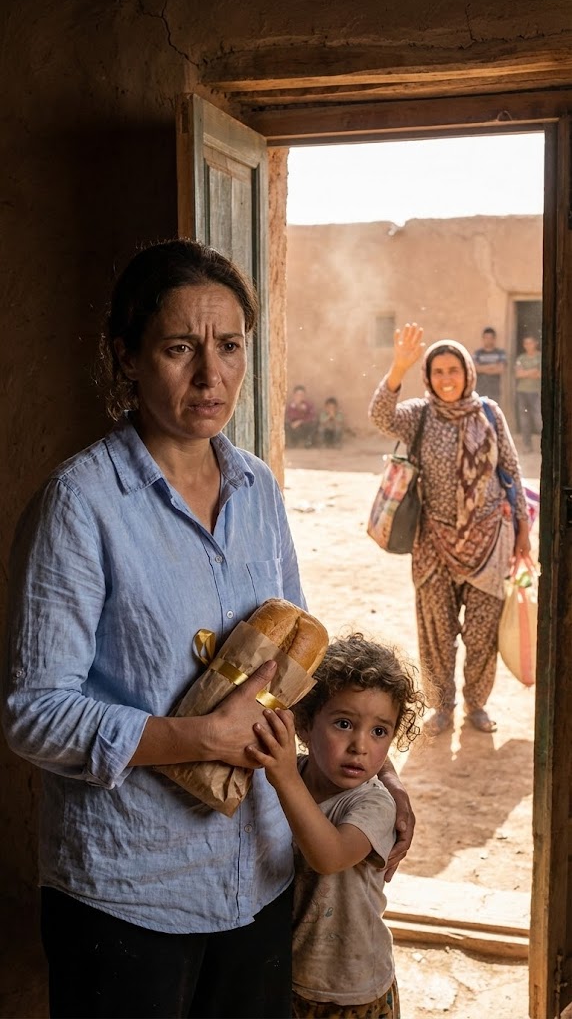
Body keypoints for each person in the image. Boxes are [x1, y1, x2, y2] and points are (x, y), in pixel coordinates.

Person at [3, 238, 415, 1019]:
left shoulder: (257, 487)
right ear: (126, 356)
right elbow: (34, 711)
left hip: (257, 879)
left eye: (228, 347)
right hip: (127, 893)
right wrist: (199, 740)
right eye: (179, 348)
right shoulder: (82, 504)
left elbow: (294, 669)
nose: (210, 375)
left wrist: (377, 779)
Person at [246, 633, 426, 1019]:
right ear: (306, 726)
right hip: (287, 975)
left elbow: (329, 856)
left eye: (380, 731)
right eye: (344, 724)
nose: (360, 746)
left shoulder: (375, 802)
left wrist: (283, 777)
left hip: (350, 989)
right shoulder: (291, 771)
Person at [368, 322, 535, 736]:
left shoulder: (490, 413)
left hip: (491, 541)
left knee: (482, 635)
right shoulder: (419, 415)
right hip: (434, 543)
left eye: (453, 371)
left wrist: (523, 534)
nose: (446, 379)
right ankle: (441, 707)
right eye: (438, 371)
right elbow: (380, 416)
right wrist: (398, 367)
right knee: (436, 634)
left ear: (468, 374)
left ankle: (476, 705)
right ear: (428, 376)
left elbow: (510, 473)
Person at [515, 334, 542, 452]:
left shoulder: (541, 357)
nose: (528, 346)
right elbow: (518, 374)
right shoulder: (521, 358)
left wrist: (525, 372)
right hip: (522, 391)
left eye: (530, 343)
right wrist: (533, 371)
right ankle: (527, 446)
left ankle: (544, 446)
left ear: (536, 343)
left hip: (536, 392)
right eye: (525, 343)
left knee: (539, 419)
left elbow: (541, 374)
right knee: (524, 420)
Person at [472, 326, 507, 402]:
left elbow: (500, 369)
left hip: (494, 391)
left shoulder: (500, 353)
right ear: (483, 339)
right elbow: (476, 369)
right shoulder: (477, 353)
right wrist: (492, 366)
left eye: (490, 338)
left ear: (494, 339)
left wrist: (482, 368)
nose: (488, 340)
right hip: (480, 390)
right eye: (486, 338)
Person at [285, 384, 317, 448]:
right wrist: (298, 408)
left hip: (305, 427)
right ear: (294, 395)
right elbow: (290, 417)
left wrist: (300, 421)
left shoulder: (308, 405)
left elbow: (312, 416)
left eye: (301, 395)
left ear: (304, 396)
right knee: (287, 425)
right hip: (295, 429)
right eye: (297, 395)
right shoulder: (291, 406)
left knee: (313, 423)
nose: (299, 397)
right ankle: (292, 443)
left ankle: (308, 442)